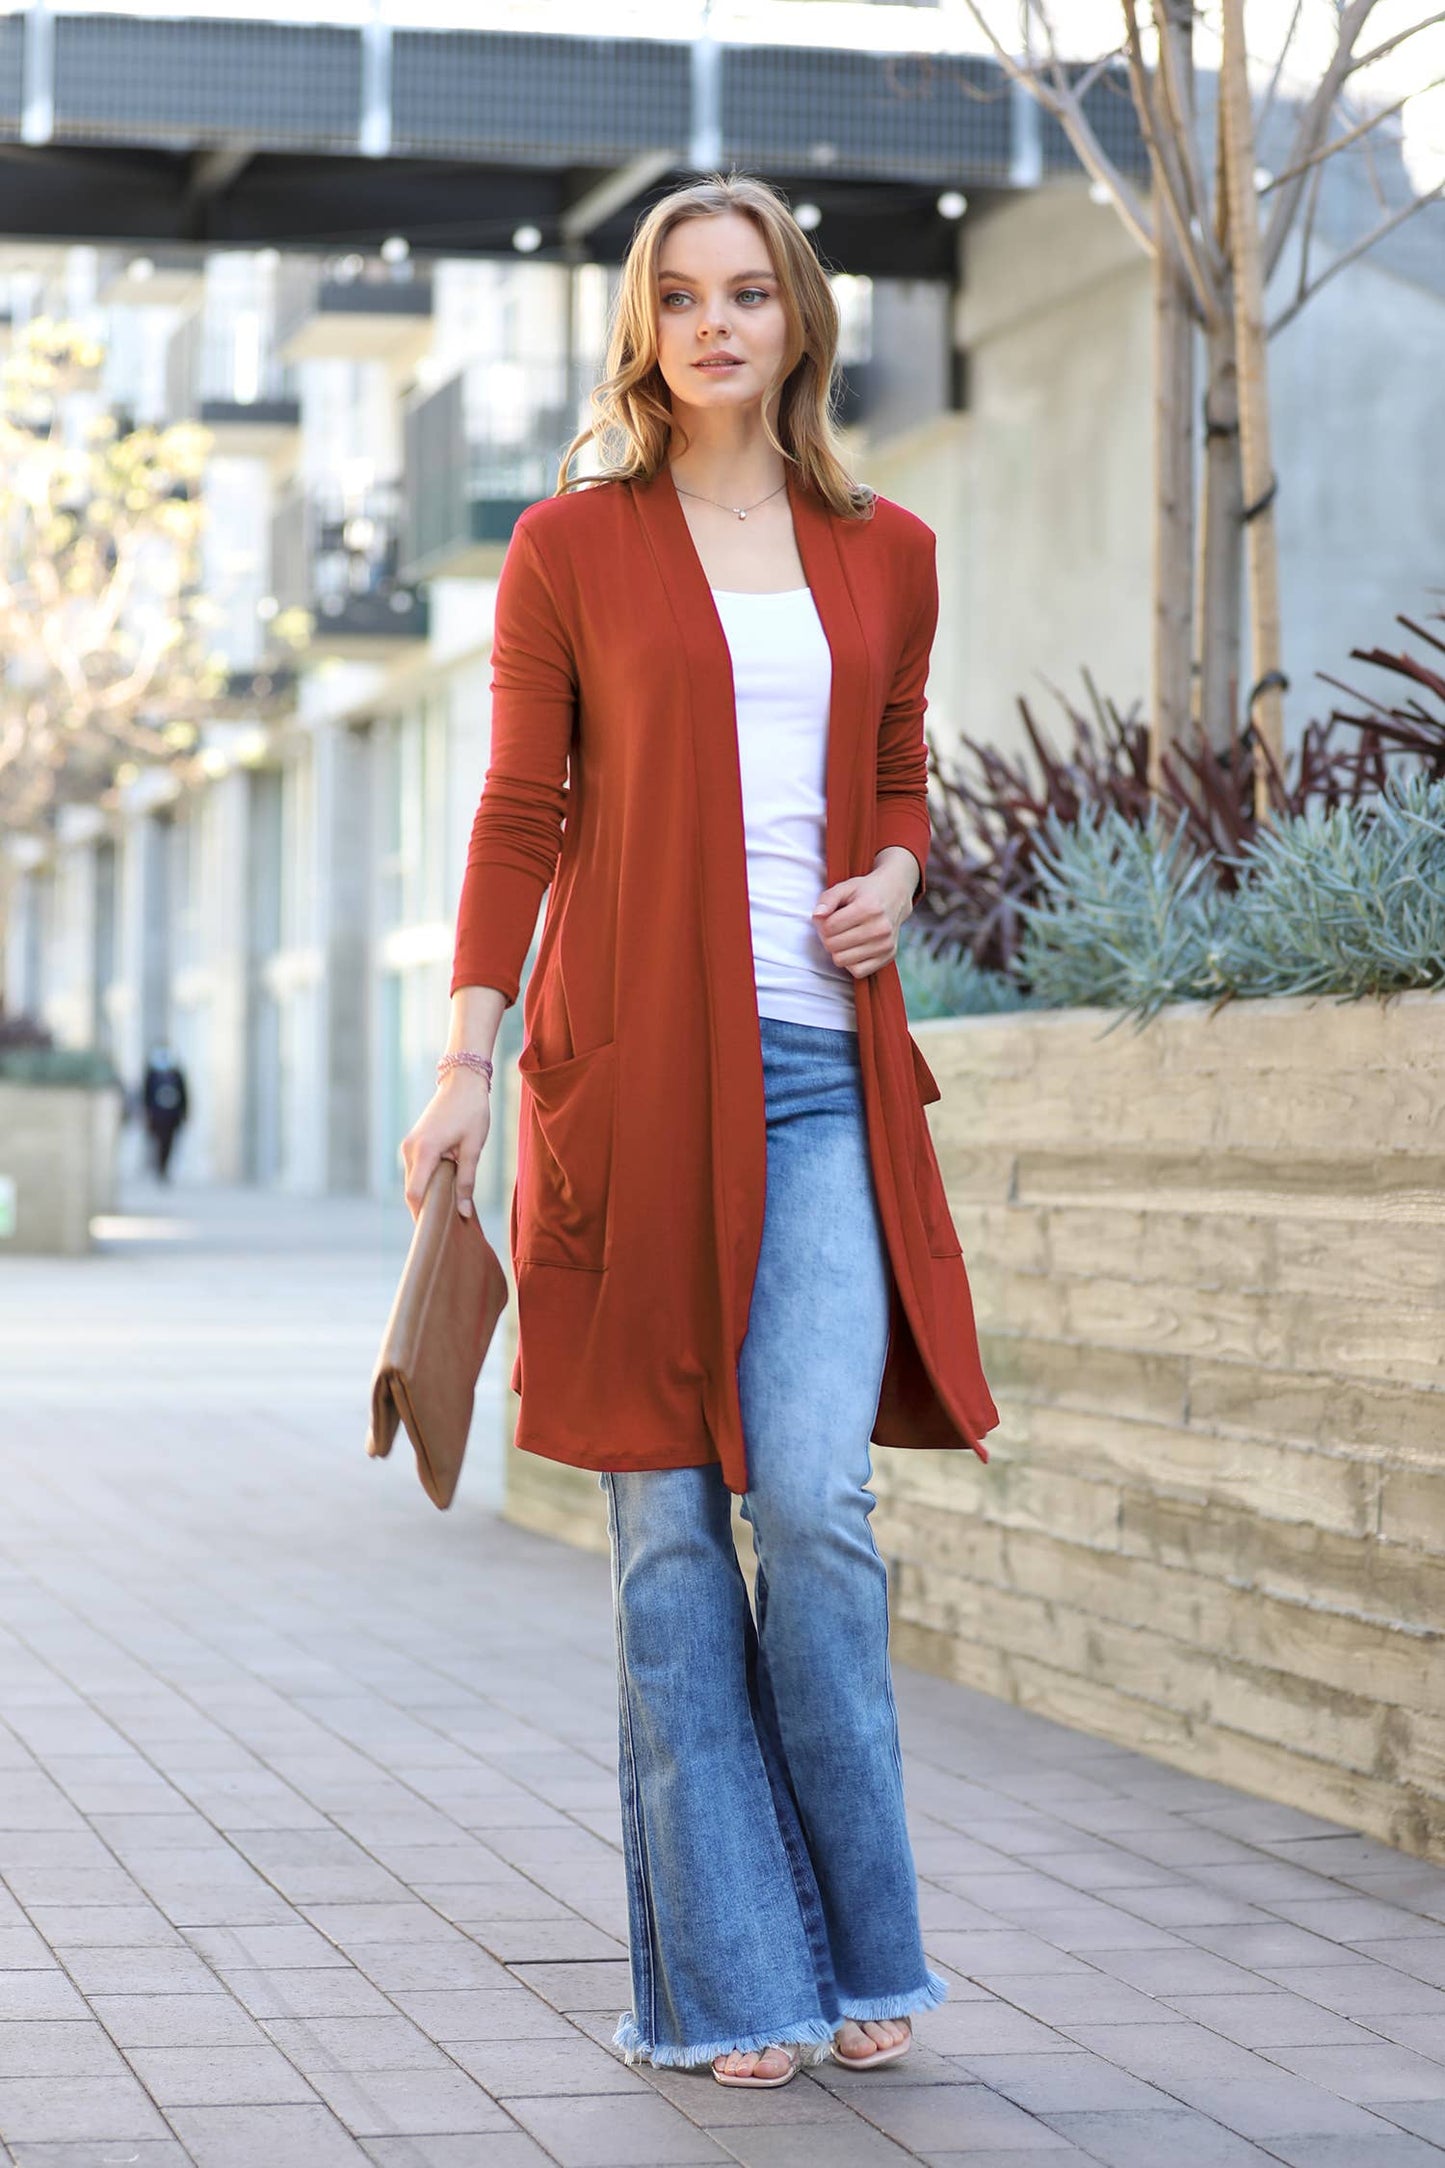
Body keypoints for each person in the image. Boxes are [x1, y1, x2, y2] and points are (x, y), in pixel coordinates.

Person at [402, 171, 1000, 2090]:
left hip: (825, 1071)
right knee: (668, 1530)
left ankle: (869, 1940)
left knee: (812, 1504)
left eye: (750, 291)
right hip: (631, 1083)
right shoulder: (572, 545)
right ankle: (737, 1978)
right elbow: (517, 812)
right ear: (644, 331)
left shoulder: (887, 546)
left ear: (800, 317)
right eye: (682, 296)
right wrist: (467, 1060)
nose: (718, 323)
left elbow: (901, 769)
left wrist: (898, 874)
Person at [141, 1040, 188, 1181]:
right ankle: (159, 1167)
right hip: (157, 1114)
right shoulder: (152, 1073)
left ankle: (164, 1168)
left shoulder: (176, 1073)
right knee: (158, 1141)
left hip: (172, 1115)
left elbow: (183, 1093)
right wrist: (146, 1112)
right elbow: (146, 1094)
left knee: (169, 1142)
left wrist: (184, 1112)